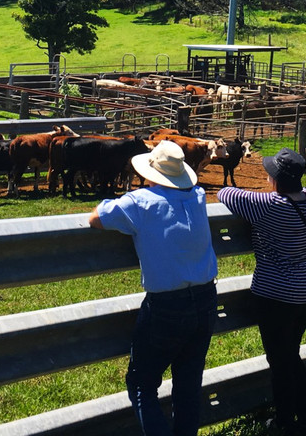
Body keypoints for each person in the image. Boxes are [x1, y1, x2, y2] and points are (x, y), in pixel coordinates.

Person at [89, 139, 218, 436]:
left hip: (167, 306)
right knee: (188, 384)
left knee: (141, 383)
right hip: (206, 298)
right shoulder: (197, 195)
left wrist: (119, 198)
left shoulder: (139, 202)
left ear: (150, 172)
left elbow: (96, 218)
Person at [218, 148, 306, 436]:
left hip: (277, 297)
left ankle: (288, 421)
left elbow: (226, 193)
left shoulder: (267, 205)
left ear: (276, 179)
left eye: (270, 173)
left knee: (280, 360)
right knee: (290, 355)